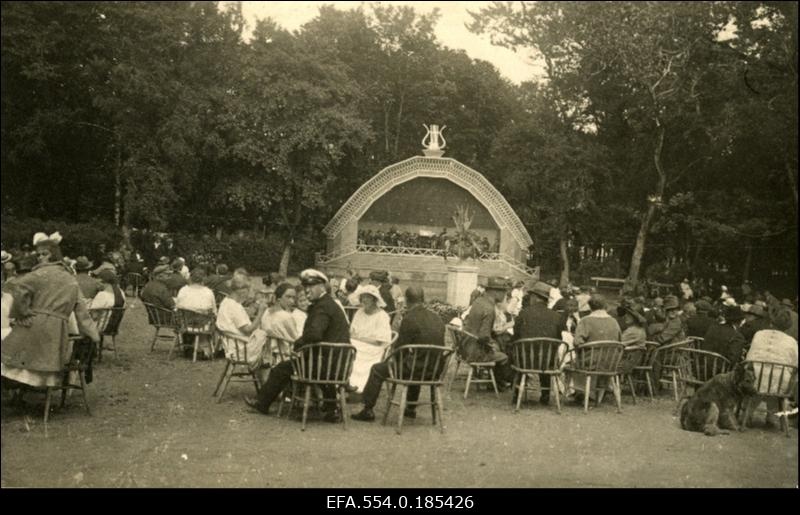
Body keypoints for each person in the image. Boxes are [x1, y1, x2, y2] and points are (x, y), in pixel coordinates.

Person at [245, 269, 352, 423]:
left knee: (282, 368)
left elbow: (314, 335)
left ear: (322, 287)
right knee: (309, 364)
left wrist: (298, 344)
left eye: (312, 287)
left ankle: (262, 403)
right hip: (338, 365)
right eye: (306, 287)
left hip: (327, 365)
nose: (307, 291)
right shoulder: (329, 304)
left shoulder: (321, 307)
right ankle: (331, 409)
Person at [1, 232, 100, 388]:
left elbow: (19, 288)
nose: (40, 257)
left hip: (35, 325)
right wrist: (94, 335)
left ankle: (21, 393)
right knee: (44, 362)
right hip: (57, 331)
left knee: (12, 355)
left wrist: (22, 313)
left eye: (44, 254)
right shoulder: (71, 280)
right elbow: (81, 311)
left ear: (53, 256)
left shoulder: (38, 274)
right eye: (39, 254)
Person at [351, 286, 446, 422]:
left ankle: (368, 409)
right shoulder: (436, 318)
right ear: (423, 299)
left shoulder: (409, 318)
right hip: (435, 370)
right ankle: (411, 408)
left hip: (416, 370)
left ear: (407, 300)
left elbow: (400, 349)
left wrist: (390, 360)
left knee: (377, 369)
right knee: (416, 362)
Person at [512, 281, 564, 405]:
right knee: (546, 353)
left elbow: (516, 335)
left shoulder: (524, 313)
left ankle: (516, 393)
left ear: (534, 298)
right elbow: (558, 338)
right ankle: (545, 394)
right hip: (547, 361)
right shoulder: (556, 316)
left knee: (517, 351)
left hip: (525, 360)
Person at [462, 277, 514, 388]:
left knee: (498, 346)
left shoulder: (479, 301)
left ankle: (497, 383)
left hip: (466, 346)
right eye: (503, 292)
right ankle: (499, 384)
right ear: (495, 292)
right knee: (504, 356)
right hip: (475, 352)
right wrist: (494, 344)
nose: (505, 295)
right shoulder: (489, 309)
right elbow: (484, 337)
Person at [216, 275, 269, 379]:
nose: (249, 293)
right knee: (271, 348)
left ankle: (265, 382)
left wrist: (254, 306)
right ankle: (266, 385)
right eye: (248, 290)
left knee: (266, 341)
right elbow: (248, 330)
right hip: (241, 348)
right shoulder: (234, 307)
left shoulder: (227, 301)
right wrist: (261, 313)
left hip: (232, 345)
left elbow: (241, 319)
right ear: (241, 290)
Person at [349, 285, 392, 393]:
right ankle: (346, 382)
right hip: (358, 344)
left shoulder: (382, 316)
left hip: (374, 348)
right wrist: (354, 338)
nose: (364, 300)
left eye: (368, 297)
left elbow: (379, 341)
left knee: (352, 347)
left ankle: (359, 385)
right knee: (347, 345)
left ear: (374, 299)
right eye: (363, 297)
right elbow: (352, 332)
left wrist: (358, 338)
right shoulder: (359, 313)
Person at [260, 283, 299, 364]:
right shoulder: (286, 316)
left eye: (294, 298)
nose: (292, 301)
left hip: (268, 354)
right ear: (279, 299)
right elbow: (296, 338)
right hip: (286, 355)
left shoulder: (266, 312)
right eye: (288, 297)